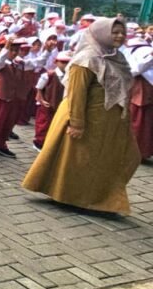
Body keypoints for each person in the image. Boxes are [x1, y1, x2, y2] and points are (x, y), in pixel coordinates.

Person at [22, 18, 140, 215]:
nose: (120, 36)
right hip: (86, 119)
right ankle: (78, 198)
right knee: (81, 161)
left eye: (122, 32)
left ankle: (95, 197)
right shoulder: (86, 59)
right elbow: (77, 93)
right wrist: (77, 123)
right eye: (115, 32)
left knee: (117, 158)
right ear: (101, 33)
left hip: (109, 122)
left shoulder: (115, 57)